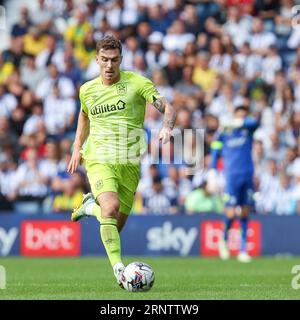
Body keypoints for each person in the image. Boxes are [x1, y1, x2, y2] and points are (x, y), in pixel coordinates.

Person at [67, 36, 176, 288]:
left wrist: (167, 128)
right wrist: (77, 147)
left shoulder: (137, 83)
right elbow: (84, 116)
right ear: (96, 60)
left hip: (130, 163)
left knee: (114, 222)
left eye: (114, 60)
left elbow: (167, 108)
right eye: (104, 60)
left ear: (121, 60)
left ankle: (88, 207)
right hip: (98, 158)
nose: (109, 65)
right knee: (110, 206)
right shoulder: (87, 89)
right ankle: (119, 271)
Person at [209, 105, 259, 263]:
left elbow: (255, 123)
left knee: (244, 212)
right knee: (230, 213)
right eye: (239, 115)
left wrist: (240, 122)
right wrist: (212, 170)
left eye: (244, 115)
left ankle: (242, 250)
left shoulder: (248, 130)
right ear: (233, 115)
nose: (241, 118)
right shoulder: (225, 134)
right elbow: (215, 150)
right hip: (231, 176)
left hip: (247, 174)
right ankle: (223, 242)